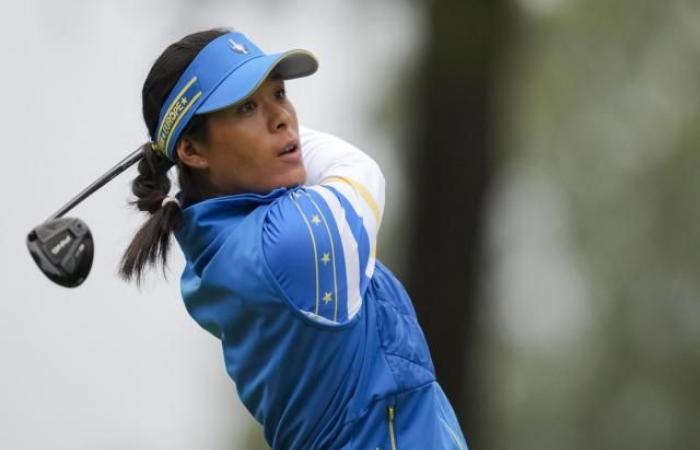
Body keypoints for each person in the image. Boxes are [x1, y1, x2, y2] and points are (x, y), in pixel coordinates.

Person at [121, 28, 469, 450]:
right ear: (194, 152)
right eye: (247, 106)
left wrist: (181, 144)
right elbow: (358, 169)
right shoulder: (289, 244)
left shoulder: (227, 245)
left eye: (280, 94)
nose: (282, 118)